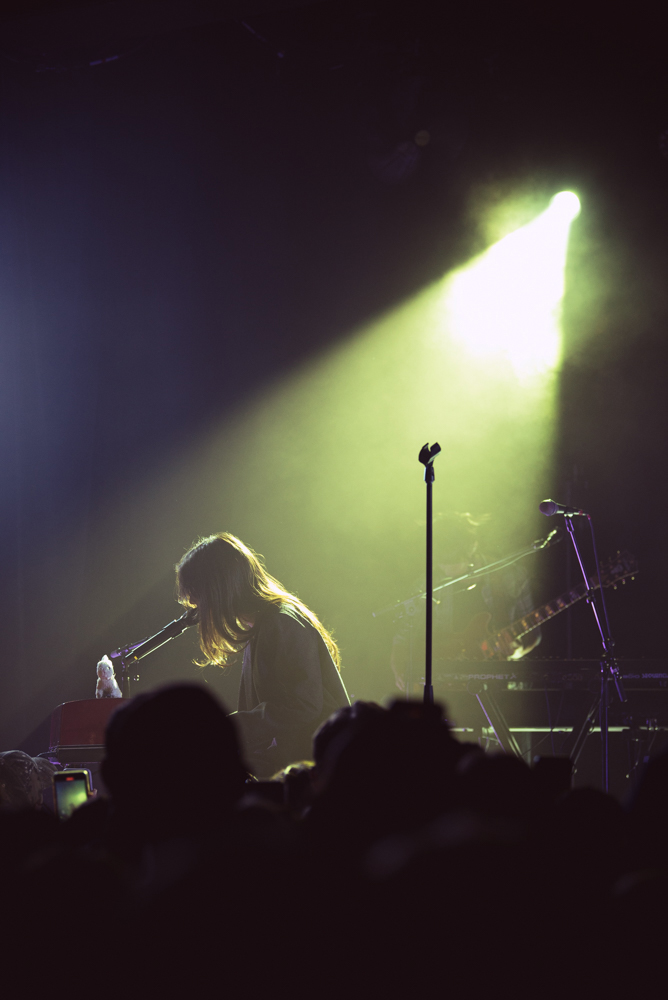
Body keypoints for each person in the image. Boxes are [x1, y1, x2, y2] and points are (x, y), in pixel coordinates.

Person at [175, 533, 350, 776]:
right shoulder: (260, 628)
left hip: (321, 773)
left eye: (197, 595)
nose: (194, 605)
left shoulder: (281, 623)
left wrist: (224, 730)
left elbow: (303, 705)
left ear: (219, 587)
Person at [391, 512, 540, 692]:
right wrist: (399, 672)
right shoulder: (424, 585)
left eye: (452, 560)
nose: (444, 567)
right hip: (444, 686)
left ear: (471, 550)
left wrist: (516, 650)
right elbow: (402, 640)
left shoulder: (510, 576)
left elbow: (533, 634)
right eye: (440, 561)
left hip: (499, 685)